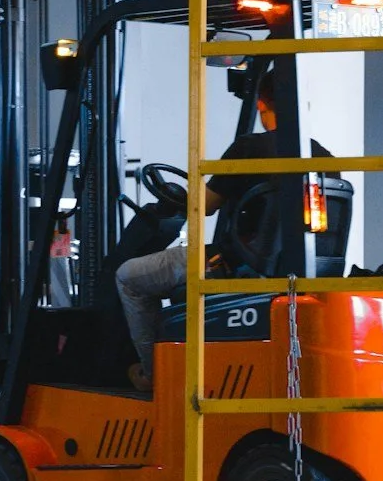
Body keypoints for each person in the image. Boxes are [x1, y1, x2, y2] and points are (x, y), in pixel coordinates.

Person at [117, 73, 321, 388]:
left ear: (262, 104)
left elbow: (206, 205)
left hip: (239, 265)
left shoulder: (249, 148)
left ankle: (153, 374)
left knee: (129, 276)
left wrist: (184, 196)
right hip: (297, 268)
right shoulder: (323, 155)